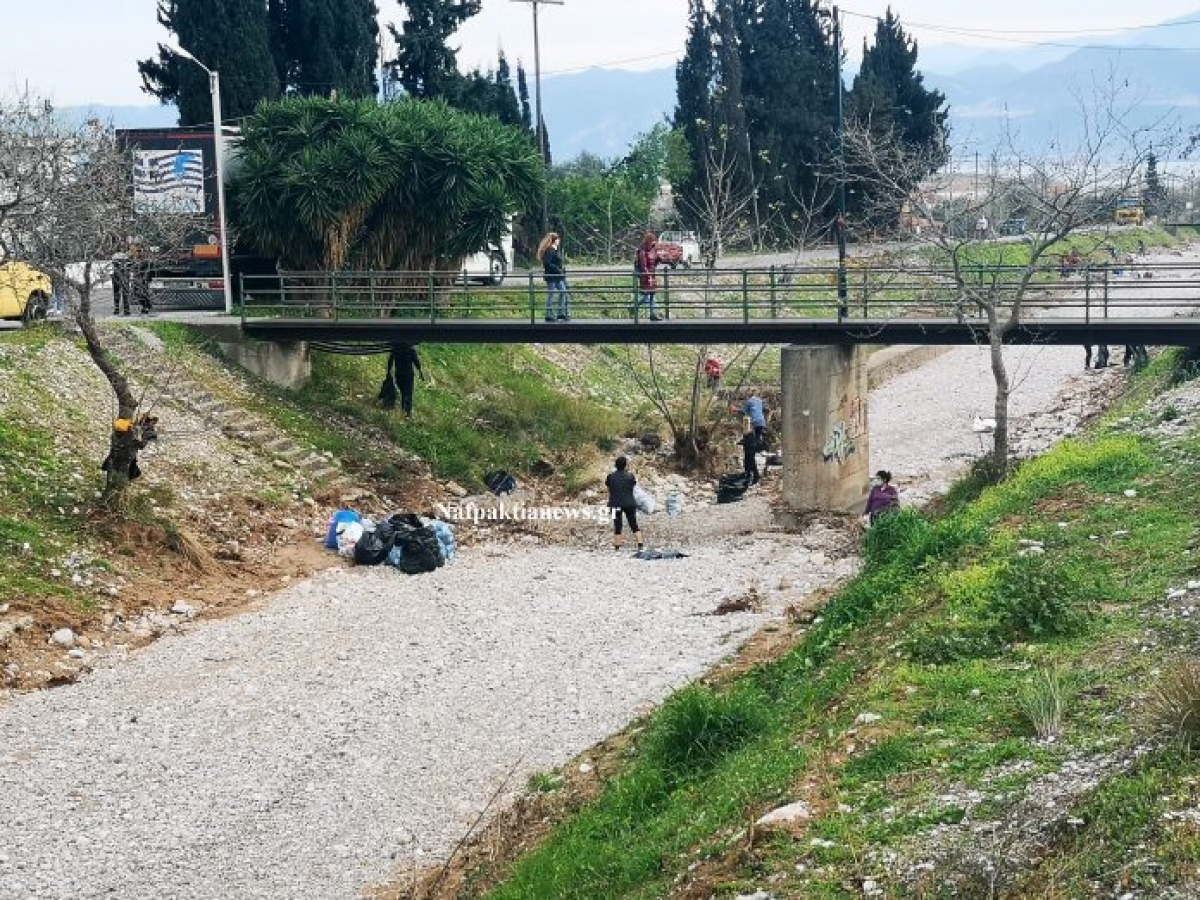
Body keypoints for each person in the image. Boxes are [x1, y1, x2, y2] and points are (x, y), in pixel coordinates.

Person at [605, 455, 644, 552]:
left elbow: (608, 485)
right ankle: (640, 544)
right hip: (629, 503)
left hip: (614, 504)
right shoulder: (630, 476)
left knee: (617, 524)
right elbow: (633, 485)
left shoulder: (610, 476)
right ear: (625, 465)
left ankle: (617, 546)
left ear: (615, 465)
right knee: (633, 523)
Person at [379, 343, 425, 417]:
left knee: (404, 393)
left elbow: (390, 361)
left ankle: (405, 410)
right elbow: (416, 362)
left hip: (399, 374)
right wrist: (420, 373)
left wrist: (388, 372)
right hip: (408, 375)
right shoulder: (411, 350)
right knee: (408, 393)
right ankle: (407, 412)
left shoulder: (396, 349)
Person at [537, 231, 570, 322]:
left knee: (563, 292)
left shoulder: (553, 250)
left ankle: (560, 313)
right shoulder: (550, 250)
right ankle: (549, 314)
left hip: (557, 276)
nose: (559, 240)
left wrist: (560, 270)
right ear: (553, 240)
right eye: (557, 239)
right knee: (552, 294)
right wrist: (558, 269)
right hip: (552, 276)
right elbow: (547, 263)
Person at [634, 232, 662, 321]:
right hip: (646, 276)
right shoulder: (642, 251)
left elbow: (655, 260)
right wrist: (648, 276)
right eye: (652, 242)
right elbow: (643, 265)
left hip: (652, 274)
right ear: (648, 242)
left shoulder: (653, 249)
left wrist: (661, 258)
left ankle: (652, 314)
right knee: (646, 295)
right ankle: (634, 306)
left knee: (652, 294)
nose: (653, 244)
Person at [738, 417, 761, 486]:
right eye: (744, 422)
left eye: (746, 422)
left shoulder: (751, 431)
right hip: (747, 450)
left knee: (751, 463)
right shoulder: (745, 430)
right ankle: (748, 478)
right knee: (746, 463)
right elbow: (745, 439)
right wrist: (742, 442)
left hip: (750, 450)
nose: (745, 424)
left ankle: (755, 478)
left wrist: (744, 442)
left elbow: (751, 441)